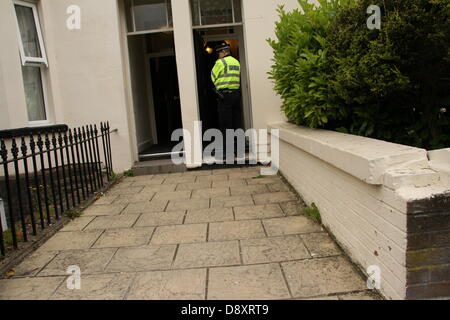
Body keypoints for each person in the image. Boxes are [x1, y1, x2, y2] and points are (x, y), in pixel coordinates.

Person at [211, 42, 241, 159]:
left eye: (219, 53)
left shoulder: (220, 62)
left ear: (223, 52)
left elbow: (213, 77)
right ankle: (238, 150)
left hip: (224, 96)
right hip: (236, 95)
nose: (218, 55)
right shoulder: (236, 62)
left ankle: (228, 152)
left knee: (226, 124)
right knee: (236, 122)